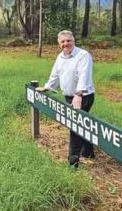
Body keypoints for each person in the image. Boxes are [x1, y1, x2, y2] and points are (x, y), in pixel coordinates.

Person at [35, 30, 95, 168]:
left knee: (74, 127)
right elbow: (55, 75)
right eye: (62, 42)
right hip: (69, 96)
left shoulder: (83, 55)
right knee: (81, 123)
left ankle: (72, 162)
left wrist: (78, 95)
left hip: (83, 96)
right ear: (59, 44)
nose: (65, 44)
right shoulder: (60, 57)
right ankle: (89, 152)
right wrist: (47, 87)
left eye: (68, 40)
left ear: (73, 41)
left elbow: (84, 76)